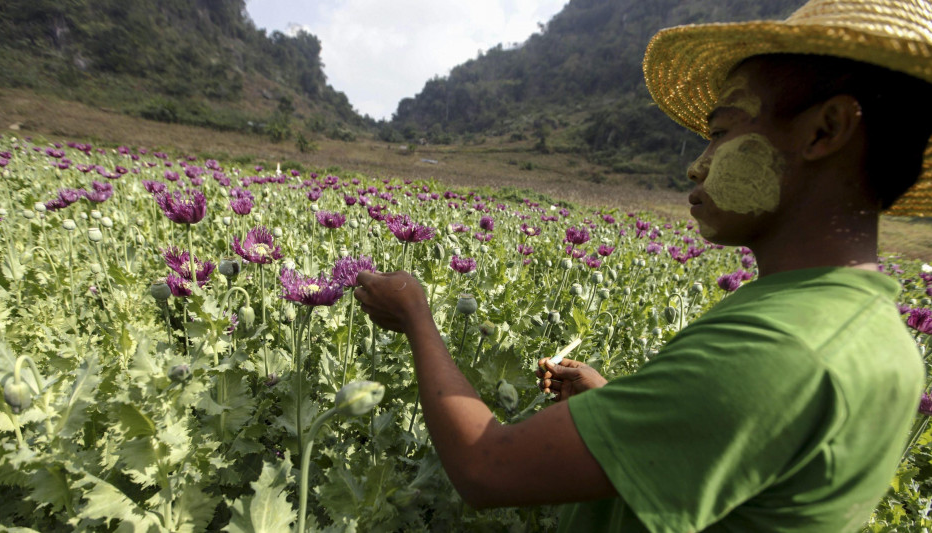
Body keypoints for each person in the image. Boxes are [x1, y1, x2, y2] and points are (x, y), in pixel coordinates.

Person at [353, 0, 932, 530]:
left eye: (722, 132)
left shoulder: (785, 348)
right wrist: (618, 405)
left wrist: (416, 317)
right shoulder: (873, 333)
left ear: (824, 130)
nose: (696, 167)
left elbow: (486, 467)